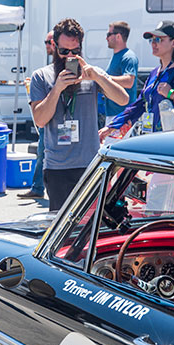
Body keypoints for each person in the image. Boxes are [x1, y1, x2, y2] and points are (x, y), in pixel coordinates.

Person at [30, 18, 128, 211]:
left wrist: (97, 77)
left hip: (89, 166)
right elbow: (40, 120)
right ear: (54, 46)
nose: (69, 56)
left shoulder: (92, 74)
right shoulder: (41, 76)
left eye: (74, 51)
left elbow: (123, 99)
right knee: (62, 230)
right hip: (57, 168)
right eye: (63, 51)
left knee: (91, 226)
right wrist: (56, 89)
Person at [99, 20, 174, 141]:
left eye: (159, 40)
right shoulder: (155, 73)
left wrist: (172, 94)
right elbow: (138, 106)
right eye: (152, 40)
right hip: (153, 142)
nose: (153, 43)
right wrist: (111, 127)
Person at [18, 30, 54, 199]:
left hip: (55, 120)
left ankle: (39, 187)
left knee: (44, 153)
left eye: (48, 42)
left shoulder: (61, 69)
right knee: (41, 152)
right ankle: (38, 187)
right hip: (47, 118)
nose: (46, 46)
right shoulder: (46, 70)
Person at [104, 21, 139, 125]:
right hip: (113, 114)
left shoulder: (129, 57)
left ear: (118, 36)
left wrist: (103, 77)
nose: (107, 38)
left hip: (123, 115)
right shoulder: (117, 55)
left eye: (109, 34)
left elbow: (129, 81)